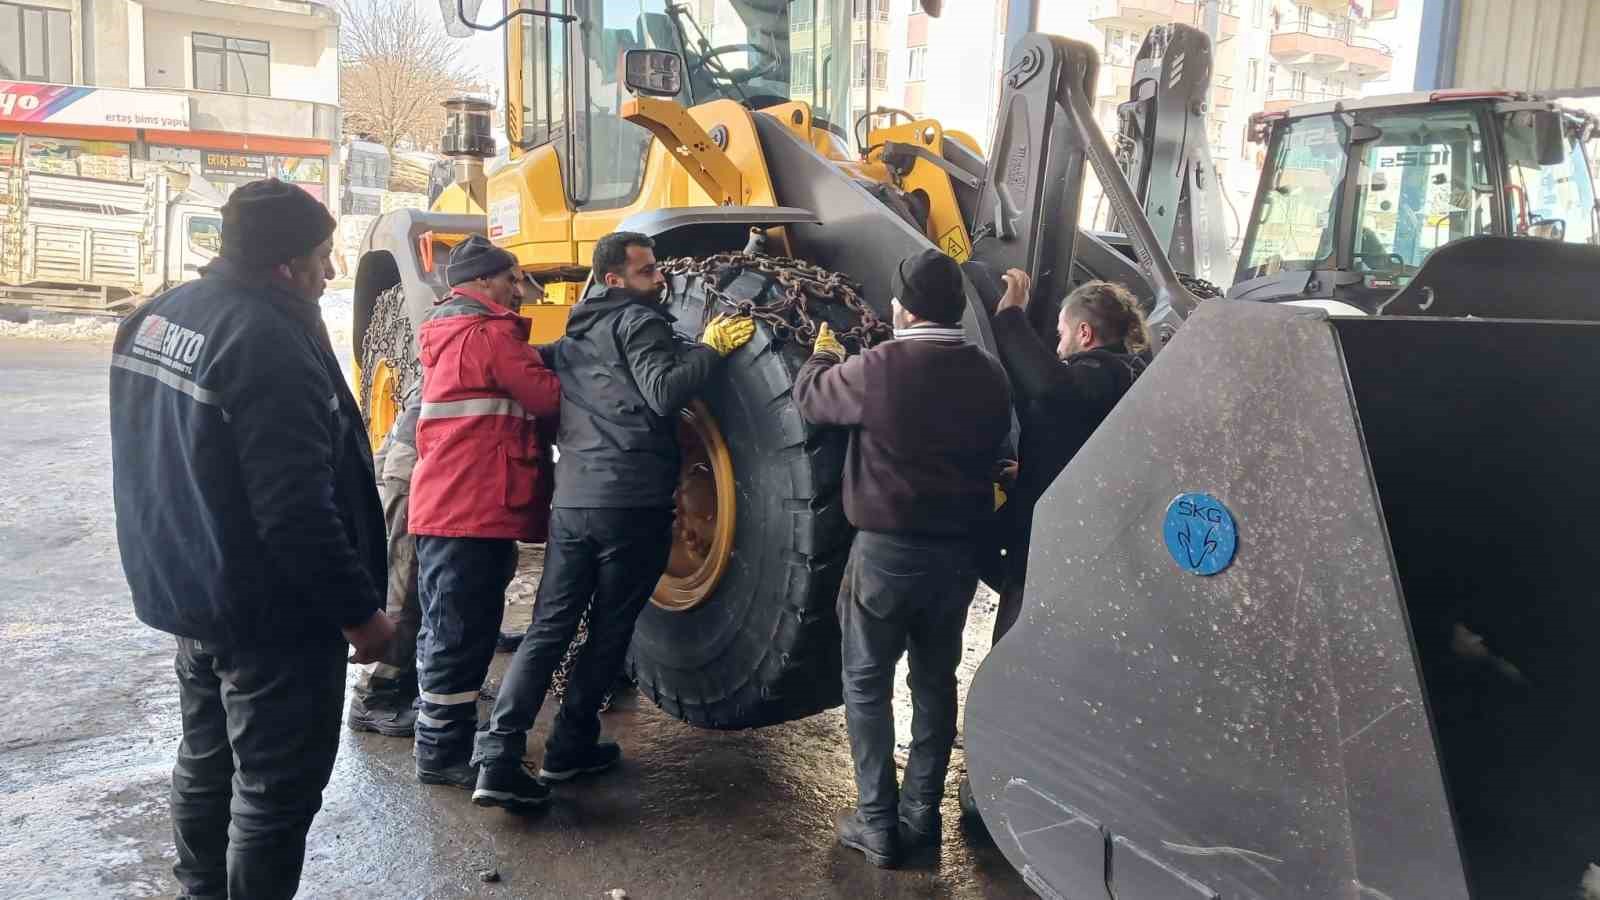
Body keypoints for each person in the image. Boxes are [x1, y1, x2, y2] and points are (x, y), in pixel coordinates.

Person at [109, 177, 394, 900]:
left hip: (193, 593)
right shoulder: (265, 342)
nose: (330, 274)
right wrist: (361, 612)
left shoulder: (158, 316)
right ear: (285, 264)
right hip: (270, 617)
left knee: (206, 764)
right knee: (274, 794)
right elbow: (296, 513)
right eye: (323, 258)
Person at [470, 231, 755, 810]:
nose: (660, 279)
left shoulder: (572, 335)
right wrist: (712, 349)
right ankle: (570, 745)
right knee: (609, 629)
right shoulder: (638, 322)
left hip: (573, 503)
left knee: (549, 627)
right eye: (647, 271)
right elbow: (661, 391)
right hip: (632, 504)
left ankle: (496, 759)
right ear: (615, 279)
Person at [794, 248, 1012, 869]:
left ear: (901, 308)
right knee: (935, 683)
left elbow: (812, 400)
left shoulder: (880, 367)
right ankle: (923, 816)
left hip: (887, 554)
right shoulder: (990, 373)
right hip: (958, 556)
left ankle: (876, 821)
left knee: (865, 682)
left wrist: (823, 354)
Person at [409, 235, 562, 787]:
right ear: (483, 282)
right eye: (511, 279)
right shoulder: (490, 334)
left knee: (450, 628)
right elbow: (548, 400)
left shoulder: (446, 332)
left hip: (451, 506)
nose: (518, 290)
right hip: (471, 508)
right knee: (459, 633)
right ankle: (440, 754)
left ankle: (444, 738)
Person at [987, 271, 1148, 645]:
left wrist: (1010, 315)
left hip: (1055, 545)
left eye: (1061, 334)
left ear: (1085, 334)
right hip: (1085, 532)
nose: (1058, 347)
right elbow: (1081, 438)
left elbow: (1050, 388)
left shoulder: (1100, 375)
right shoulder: (1130, 371)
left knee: (1019, 639)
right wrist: (1030, 471)